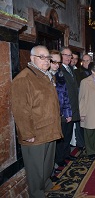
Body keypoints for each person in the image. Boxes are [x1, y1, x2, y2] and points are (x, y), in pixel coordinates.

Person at [11, 45, 63, 197]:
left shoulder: (46, 75)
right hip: (35, 133)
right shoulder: (24, 79)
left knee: (47, 163)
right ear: (32, 58)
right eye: (42, 57)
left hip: (50, 129)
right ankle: (37, 192)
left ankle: (46, 184)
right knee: (35, 167)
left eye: (48, 58)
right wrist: (27, 133)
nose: (46, 61)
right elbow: (20, 109)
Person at [49, 50, 72, 178]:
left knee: (59, 139)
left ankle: (53, 167)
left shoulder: (60, 75)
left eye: (58, 62)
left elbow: (65, 95)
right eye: (54, 62)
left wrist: (68, 112)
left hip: (61, 113)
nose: (57, 65)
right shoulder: (45, 76)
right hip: (50, 116)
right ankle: (51, 169)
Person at [55, 47, 79, 167]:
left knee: (68, 133)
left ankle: (66, 154)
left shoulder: (70, 68)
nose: (68, 58)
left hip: (72, 107)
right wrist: (66, 112)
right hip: (65, 109)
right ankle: (59, 158)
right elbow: (61, 93)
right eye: (66, 55)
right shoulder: (59, 70)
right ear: (61, 56)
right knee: (62, 135)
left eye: (70, 56)